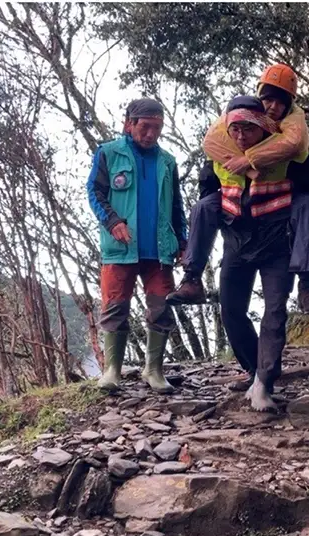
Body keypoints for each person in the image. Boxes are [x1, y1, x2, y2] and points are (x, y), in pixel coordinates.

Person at [168, 64, 309, 315]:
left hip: (277, 211)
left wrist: (249, 160)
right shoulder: (231, 125)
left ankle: (307, 286)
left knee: (307, 205)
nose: (273, 107)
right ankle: (192, 278)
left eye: (280, 102)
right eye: (268, 99)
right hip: (237, 212)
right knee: (203, 207)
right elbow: (209, 153)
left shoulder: (294, 129)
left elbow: (300, 154)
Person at [215, 98, 309, 412]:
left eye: (248, 129)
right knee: (230, 311)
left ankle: (264, 382)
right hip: (237, 244)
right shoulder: (220, 154)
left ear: (263, 128)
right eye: (235, 129)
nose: (241, 136)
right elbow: (208, 195)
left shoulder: (288, 153)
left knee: (274, 312)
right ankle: (254, 370)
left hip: (278, 245)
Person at [87, 98, 187, 393]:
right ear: (129, 124)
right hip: (120, 247)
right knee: (115, 305)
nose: (151, 134)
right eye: (145, 127)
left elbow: (176, 205)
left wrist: (182, 241)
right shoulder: (108, 153)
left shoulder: (167, 161)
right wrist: (112, 221)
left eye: (157, 128)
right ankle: (112, 371)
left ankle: (153, 369)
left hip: (160, 249)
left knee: (161, 307)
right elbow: (95, 191)